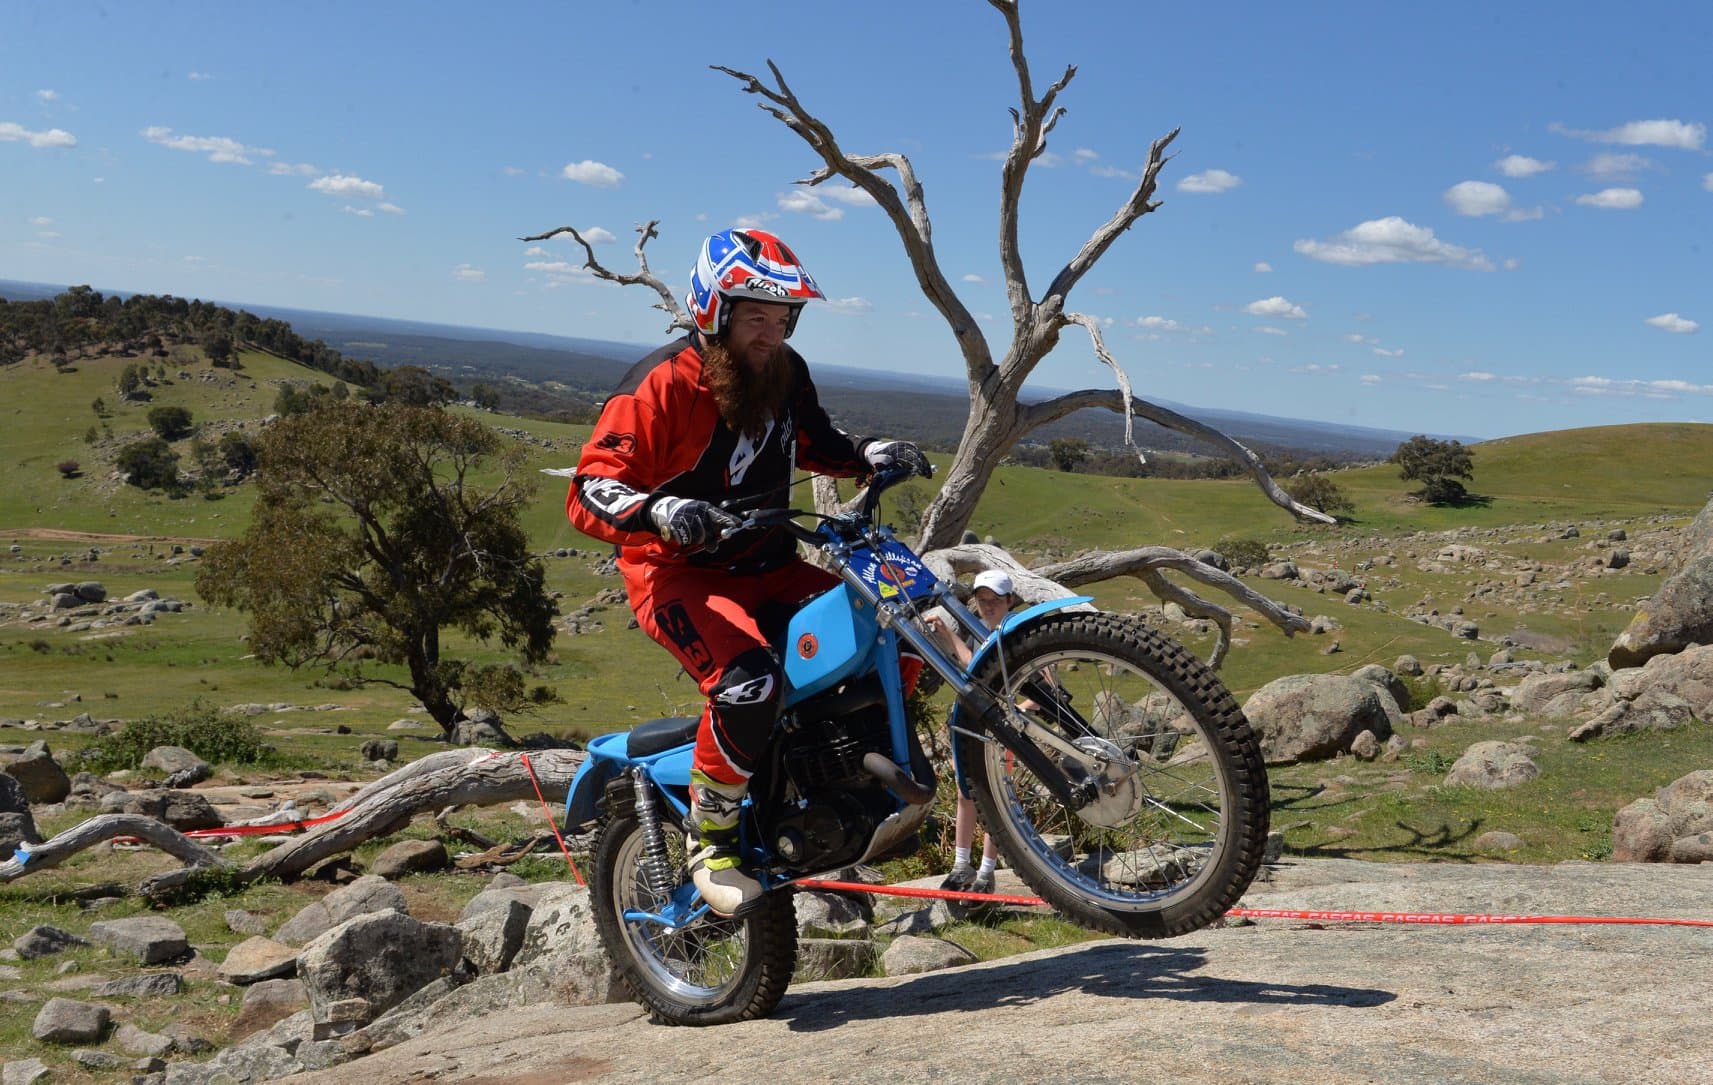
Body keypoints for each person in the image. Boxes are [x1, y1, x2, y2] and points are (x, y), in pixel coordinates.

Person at [566, 227, 931, 917]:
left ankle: (842, 776)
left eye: (782, 318)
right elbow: (589, 486)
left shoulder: (783, 372)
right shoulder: (661, 383)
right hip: (677, 572)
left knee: (894, 627)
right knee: (747, 683)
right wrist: (660, 510)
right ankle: (712, 838)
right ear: (714, 309)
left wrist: (871, 451)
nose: (770, 332)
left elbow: (817, 440)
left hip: (769, 559)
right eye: (755, 316)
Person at [924, 568, 1018, 895]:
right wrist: (948, 638)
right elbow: (972, 664)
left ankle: (986, 873)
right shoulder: (982, 633)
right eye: (982, 600)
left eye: (995, 600)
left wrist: (1019, 711)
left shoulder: (1017, 633)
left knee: (994, 796)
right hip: (970, 723)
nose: (988, 606)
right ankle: (961, 865)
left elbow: (1047, 684)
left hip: (1001, 729)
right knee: (966, 793)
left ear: (1010, 600)